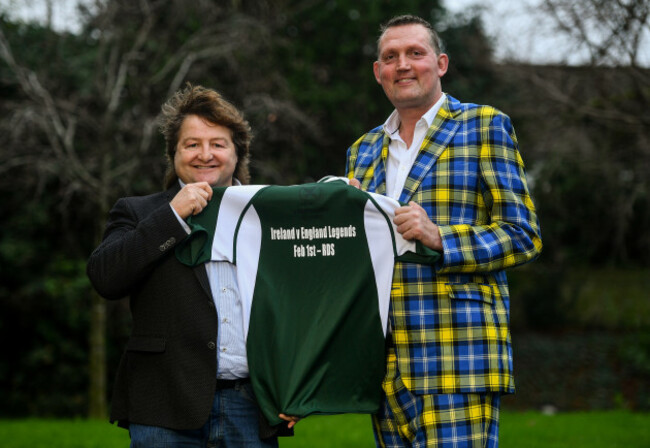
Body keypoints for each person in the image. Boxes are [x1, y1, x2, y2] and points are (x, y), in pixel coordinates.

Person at [346, 15, 542, 448]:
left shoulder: (484, 125)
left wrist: (441, 238)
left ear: (441, 64)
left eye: (415, 53)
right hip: (383, 366)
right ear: (378, 72)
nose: (402, 65)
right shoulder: (361, 151)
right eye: (390, 57)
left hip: (458, 354)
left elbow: (523, 233)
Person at [87, 84, 294, 447]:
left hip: (252, 404)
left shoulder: (267, 217)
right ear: (174, 153)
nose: (205, 154)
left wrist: (297, 387)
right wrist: (172, 216)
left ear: (237, 152)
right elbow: (106, 277)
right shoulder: (138, 212)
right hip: (163, 407)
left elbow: (301, 304)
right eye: (192, 144)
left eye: (218, 143)